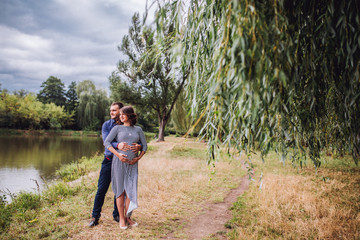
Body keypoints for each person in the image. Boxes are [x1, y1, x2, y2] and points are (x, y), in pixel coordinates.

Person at [88, 102, 141, 227]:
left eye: (114, 110)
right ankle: (95, 217)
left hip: (124, 162)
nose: (111, 112)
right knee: (101, 189)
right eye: (110, 110)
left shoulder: (130, 127)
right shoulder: (107, 125)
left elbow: (137, 141)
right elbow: (107, 141)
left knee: (120, 189)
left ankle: (118, 216)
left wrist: (139, 146)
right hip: (109, 160)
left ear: (121, 111)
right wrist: (118, 145)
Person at [104, 106, 147, 230]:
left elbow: (144, 146)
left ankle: (128, 217)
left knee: (130, 191)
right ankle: (121, 218)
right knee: (120, 191)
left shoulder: (138, 130)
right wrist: (118, 154)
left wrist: (138, 158)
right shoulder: (117, 128)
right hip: (119, 163)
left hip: (132, 165)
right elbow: (107, 142)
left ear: (130, 115)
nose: (121, 116)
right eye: (120, 114)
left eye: (123, 114)